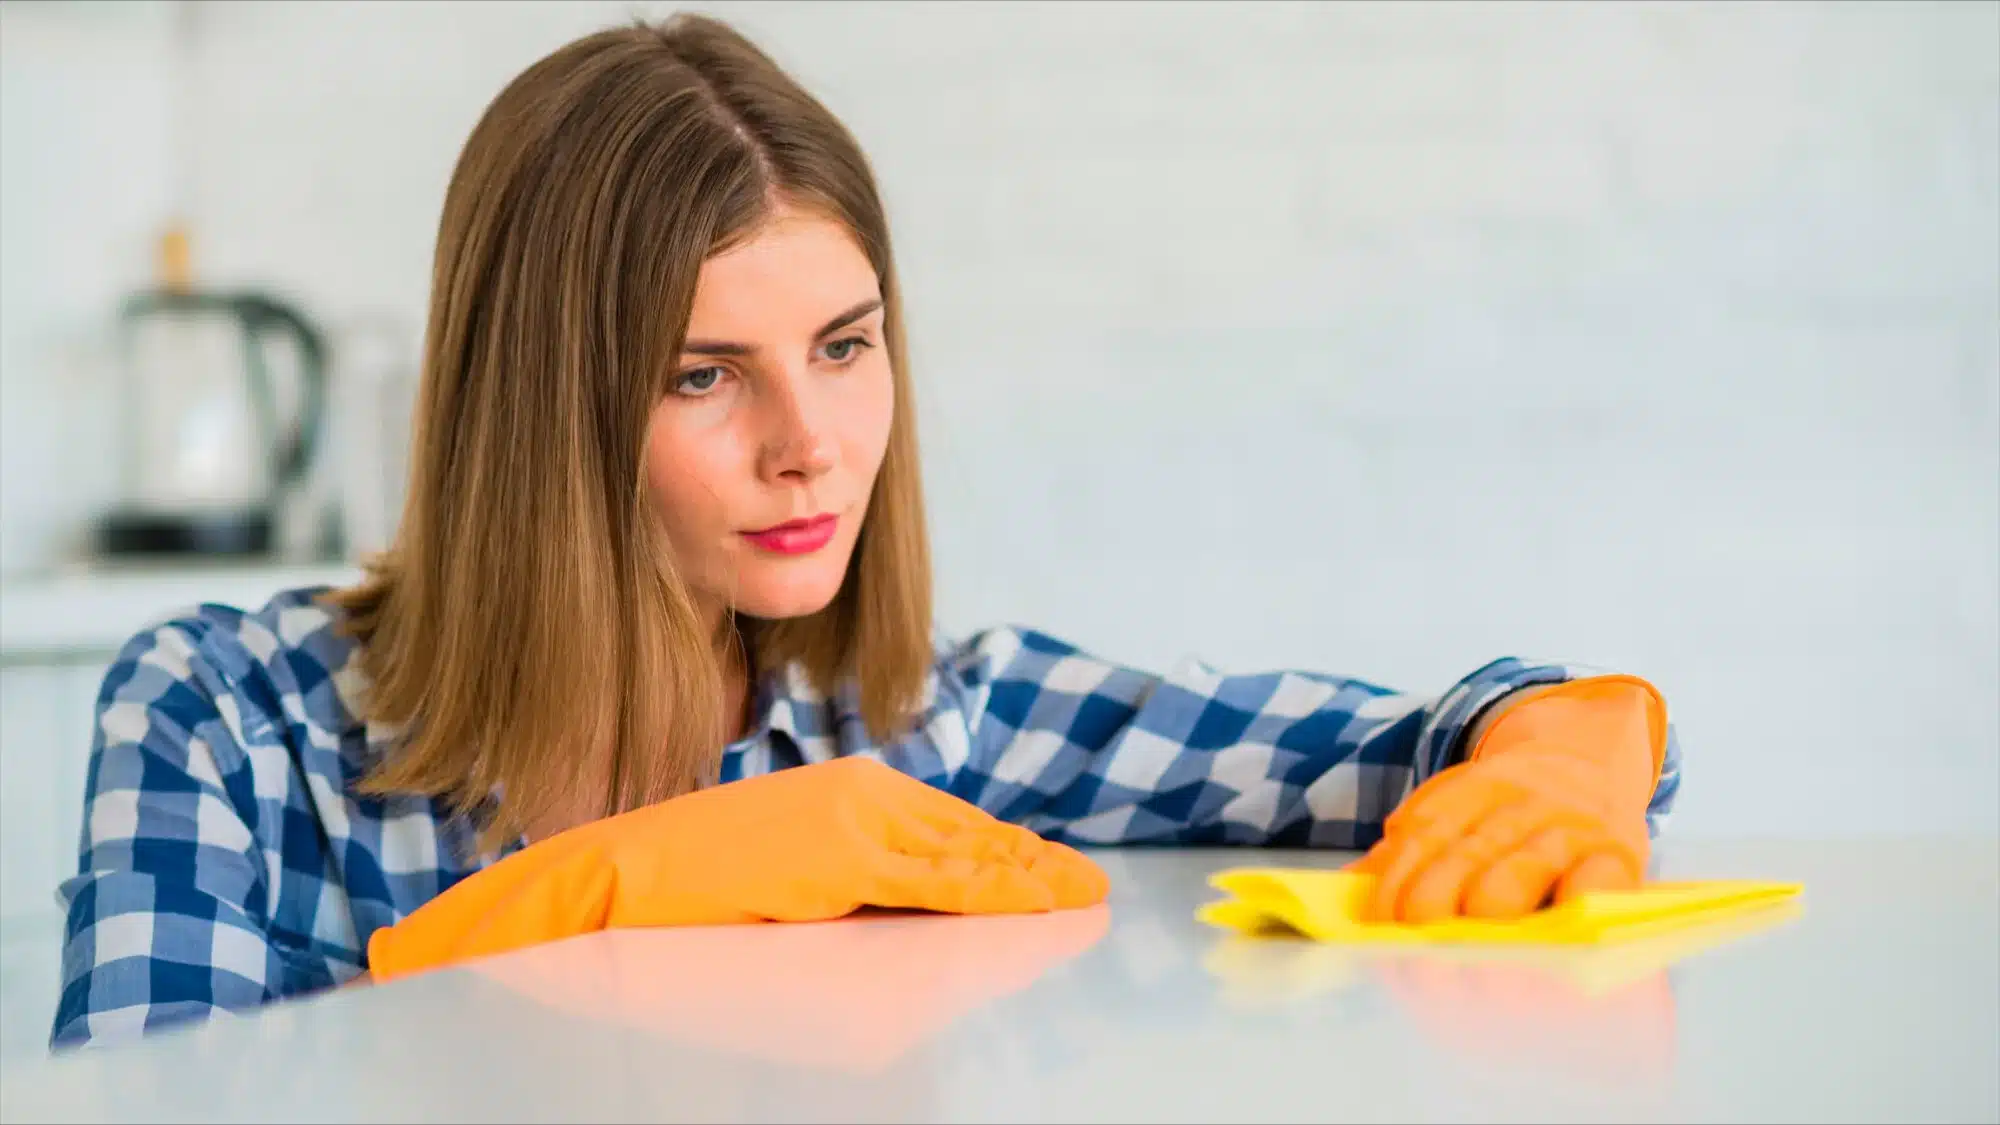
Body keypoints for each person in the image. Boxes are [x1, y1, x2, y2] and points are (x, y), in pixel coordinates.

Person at [50, 14, 1682, 1051]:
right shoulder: (223, 718)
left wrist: (1567, 746)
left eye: (845, 345)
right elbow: (136, 1108)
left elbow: (1446, 743)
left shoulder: (905, 730)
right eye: (704, 375)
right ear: (542, 410)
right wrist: (607, 890)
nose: (810, 445)